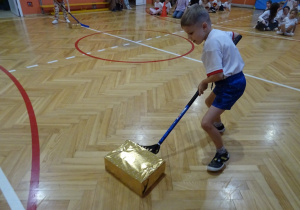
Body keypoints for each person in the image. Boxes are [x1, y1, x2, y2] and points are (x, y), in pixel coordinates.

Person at [181, 4, 246, 172]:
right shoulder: (218, 33)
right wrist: (228, 51)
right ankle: (220, 126)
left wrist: (203, 82)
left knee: (205, 123)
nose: (190, 38)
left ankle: (222, 153)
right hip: (233, 80)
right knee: (210, 102)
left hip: (231, 84)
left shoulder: (210, 46)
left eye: (191, 33)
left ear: (204, 26)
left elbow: (218, 76)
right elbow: (236, 35)